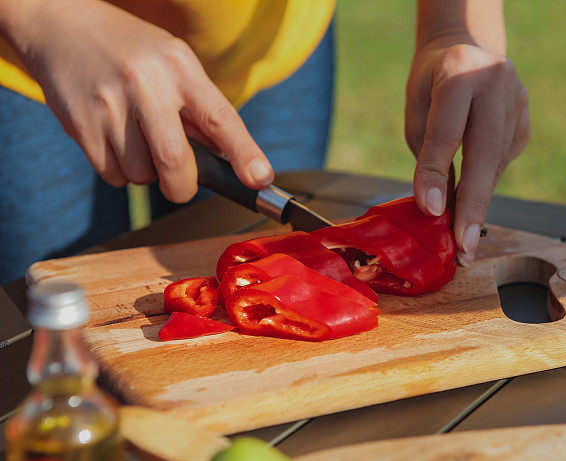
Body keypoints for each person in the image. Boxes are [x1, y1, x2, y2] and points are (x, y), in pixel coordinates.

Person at [0, 0, 529, 284]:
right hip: (34, 49)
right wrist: (39, 12)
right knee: (44, 319)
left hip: (264, 35)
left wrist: (455, 28)